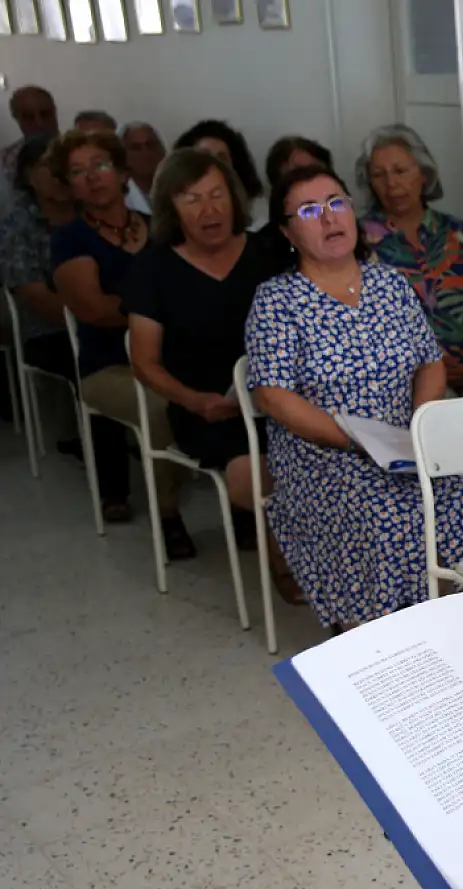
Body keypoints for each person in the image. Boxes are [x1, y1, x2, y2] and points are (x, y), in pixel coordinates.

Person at [246, 165, 463, 631]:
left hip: (403, 442)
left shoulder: (389, 284)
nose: (328, 217)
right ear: (288, 231)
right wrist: (355, 442)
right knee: (384, 513)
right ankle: (388, 639)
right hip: (324, 454)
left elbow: (430, 363)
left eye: (336, 202)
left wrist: (415, 427)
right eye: (310, 210)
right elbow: (273, 395)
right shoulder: (276, 301)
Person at [123, 149, 301, 597]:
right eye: (192, 199)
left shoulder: (267, 252)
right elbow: (144, 362)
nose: (209, 210)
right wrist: (194, 400)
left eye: (217, 195)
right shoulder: (153, 269)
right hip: (209, 412)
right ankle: (290, 558)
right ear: (170, 208)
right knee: (257, 473)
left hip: (282, 402)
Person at [50, 128, 195, 558]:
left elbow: (190, 292)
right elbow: (93, 309)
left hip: (171, 358)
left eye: (100, 165)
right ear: (69, 184)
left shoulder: (157, 228)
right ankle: (169, 515)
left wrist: (151, 306)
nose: (92, 178)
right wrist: (159, 306)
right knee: (159, 408)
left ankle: (241, 505)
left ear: (120, 171)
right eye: (78, 172)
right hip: (106, 366)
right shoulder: (69, 238)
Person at [357, 124, 463, 392]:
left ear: (424, 174)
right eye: (379, 175)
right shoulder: (359, 241)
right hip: (401, 387)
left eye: (401, 171)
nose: (392, 184)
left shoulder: (456, 233)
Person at [0, 133, 78, 388]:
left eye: (64, 165)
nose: (59, 174)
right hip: (50, 333)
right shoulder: (18, 228)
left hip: (111, 322)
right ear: (28, 177)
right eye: (48, 165)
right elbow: (36, 298)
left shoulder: (92, 213)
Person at [255, 135, 334, 273]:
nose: (309, 181)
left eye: (315, 172)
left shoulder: (347, 224)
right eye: (297, 175)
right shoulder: (262, 248)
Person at [174, 120, 265, 228]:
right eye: (204, 156)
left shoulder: (257, 211)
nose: (213, 164)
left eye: (221, 158)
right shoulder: (173, 206)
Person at [1, 86, 59, 215]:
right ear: (16, 119)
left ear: (55, 112)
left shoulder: (78, 151)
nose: (39, 124)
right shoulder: (4, 162)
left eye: (45, 114)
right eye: (28, 117)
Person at [119, 121, 166, 213]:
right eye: (135, 148)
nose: (146, 153)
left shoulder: (182, 186)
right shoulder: (119, 197)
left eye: (151, 145)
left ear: (163, 150)